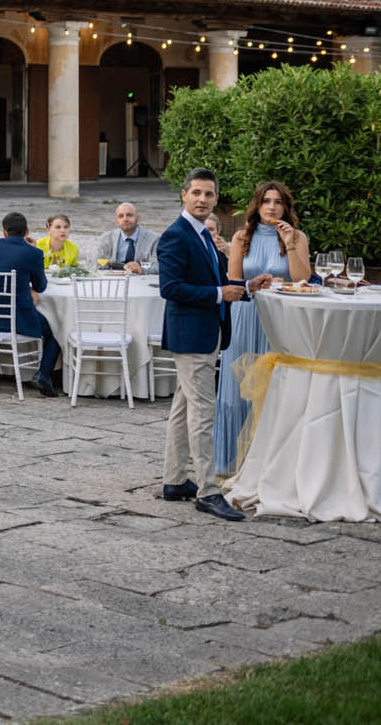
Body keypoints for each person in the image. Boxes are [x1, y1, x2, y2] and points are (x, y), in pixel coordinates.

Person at [157, 168, 245, 521]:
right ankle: (208, 490)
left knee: (183, 408)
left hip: (205, 333)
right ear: (183, 195)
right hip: (191, 337)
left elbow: (220, 280)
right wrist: (217, 294)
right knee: (203, 412)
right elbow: (170, 288)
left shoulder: (203, 234)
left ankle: (175, 480)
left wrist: (248, 286)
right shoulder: (176, 236)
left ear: (215, 199)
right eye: (196, 193)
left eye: (208, 194)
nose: (202, 199)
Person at [214, 180, 313, 480]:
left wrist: (291, 243)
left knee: (275, 389)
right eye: (266, 201)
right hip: (245, 315)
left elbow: (302, 278)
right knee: (237, 389)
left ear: (286, 207)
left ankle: (271, 466)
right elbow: (234, 281)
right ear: (257, 205)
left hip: (279, 320)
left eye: (278, 202)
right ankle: (233, 463)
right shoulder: (242, 237)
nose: (272, 206)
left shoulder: (297, 236)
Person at [0, 211, 61, 397]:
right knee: (56, 331)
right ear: (27, 231)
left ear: (4, 231)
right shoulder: (34, 253)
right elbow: (41, 286)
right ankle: (43, 375)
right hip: (18, 319)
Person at [92, 203, 160, 273]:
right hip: (114, 279)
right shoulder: (106, 238)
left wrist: (142, 269)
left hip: (141, 279)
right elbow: (97, 265)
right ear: (117, 221)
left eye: (129, 215)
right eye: (121, 216)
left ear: (138, 218)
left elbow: (159, 266)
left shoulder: (154, 239)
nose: (125, 219)